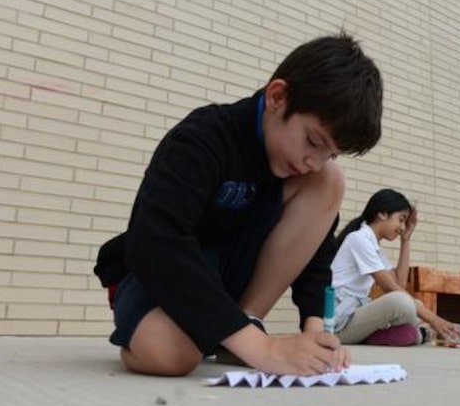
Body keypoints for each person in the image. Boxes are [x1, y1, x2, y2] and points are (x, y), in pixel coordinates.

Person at [93, 33, 383, 376]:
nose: (313, 162)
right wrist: (263, 349)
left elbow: (314, 250)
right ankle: (235, 338)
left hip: (227, 283)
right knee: (171, 355)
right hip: (159, 275)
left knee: (330, 180)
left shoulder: (309, 172)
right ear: (277, 97)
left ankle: (246, 322)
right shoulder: (203, 137)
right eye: (312, 140)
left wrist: (316, 328)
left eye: (329, 152)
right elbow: (156, 240)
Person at [331, 189, 460, 346]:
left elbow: (399, 285)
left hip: (352, 316)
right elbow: (392, 289)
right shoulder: (358, 239)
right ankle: (412, 334)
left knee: (412, 303)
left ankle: (399, 335)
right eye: (401, 219)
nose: (402, 227)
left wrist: (405, 240)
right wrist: (435, 320)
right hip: (337, 324)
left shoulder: (375, 248)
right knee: (402, 301)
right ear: (382, 214)